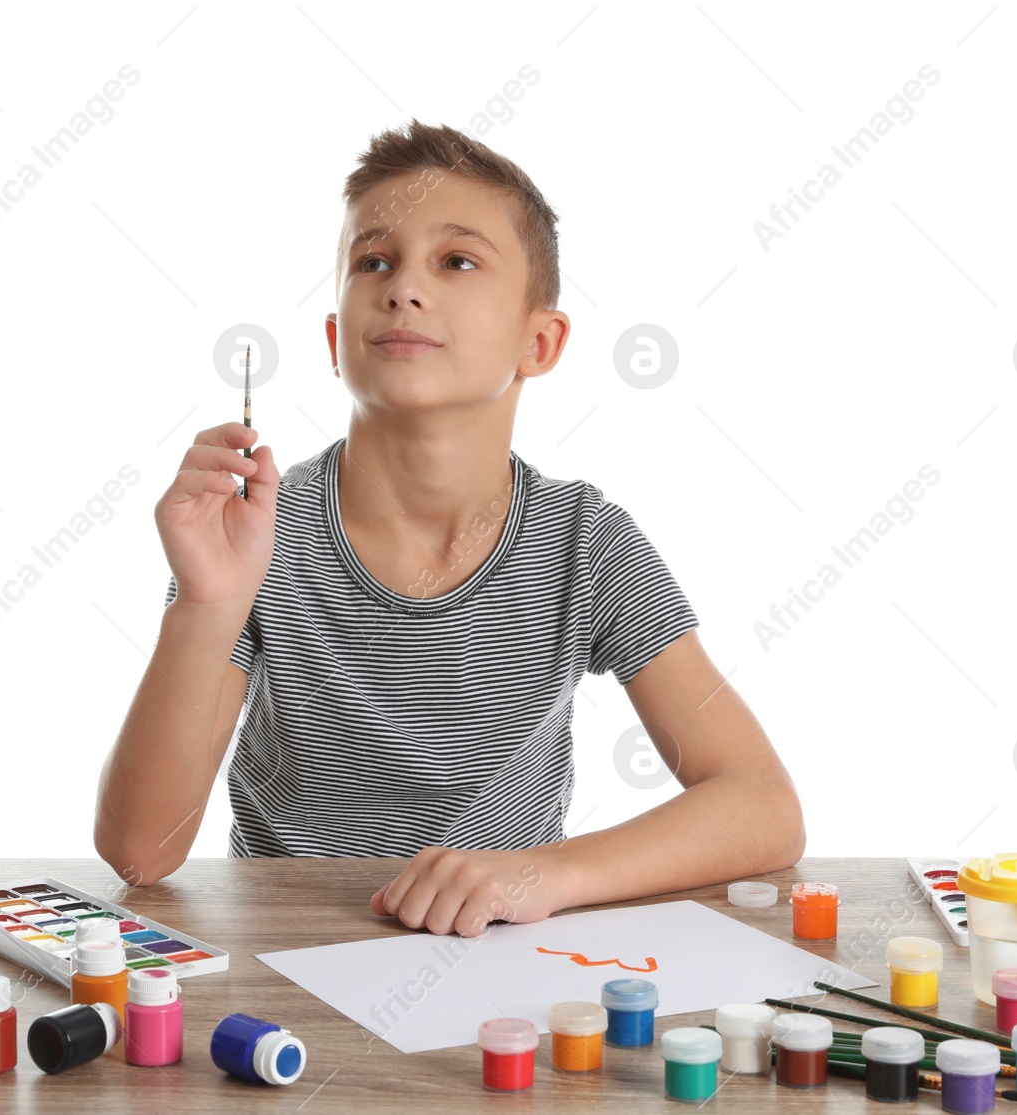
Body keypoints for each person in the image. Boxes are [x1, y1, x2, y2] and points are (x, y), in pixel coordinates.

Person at [95, 119, 804, 936]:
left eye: (457, 261)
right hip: (283, 968)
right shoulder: (256, 535)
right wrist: (208, 605)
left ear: (540, 341)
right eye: (373, 261)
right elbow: (141, 852)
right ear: (335, 340)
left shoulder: (586, 543)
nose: (403, 287)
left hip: (497, 964)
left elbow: (764, 805)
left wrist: (546, 873)